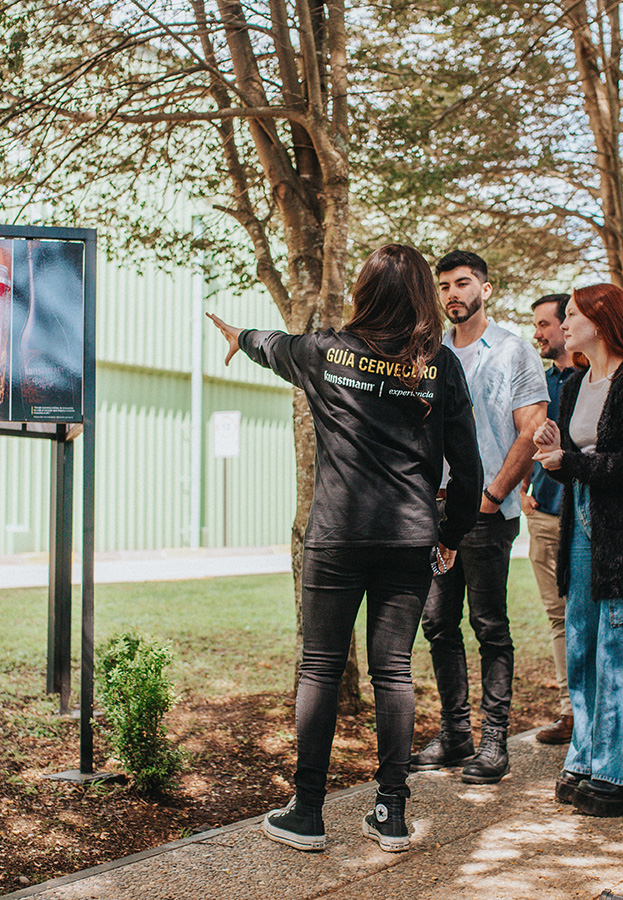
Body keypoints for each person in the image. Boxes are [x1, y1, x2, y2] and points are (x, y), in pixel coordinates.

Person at [207, 244, 481, 853]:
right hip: (410, 539)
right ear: (422, 298)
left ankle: (306, 812)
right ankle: (392, 812)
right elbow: (470, 469)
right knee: (395, 670)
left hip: (337, 536)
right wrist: (450, 535)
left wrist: (238, 335)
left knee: (320, 666)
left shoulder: (327, 352)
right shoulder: (439, 366)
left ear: (364, 293)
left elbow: (272, 345)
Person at [533, 283, 623, 817]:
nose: (563, 322)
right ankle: (589, 758)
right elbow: (576, 456)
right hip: (582, 526)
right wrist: (554, 449)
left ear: (601, 319)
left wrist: (568, 464)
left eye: (571, 314)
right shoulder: (574, 384)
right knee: (582, 649)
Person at [412, 251, 548, 785]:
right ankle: (455, 735)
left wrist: (490, 496)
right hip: (434, 509)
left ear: (485, 289)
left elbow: (532, 428)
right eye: (444, 285)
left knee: (490, 625)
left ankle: (494, 741)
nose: (452, 294)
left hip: (488, 511)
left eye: (462, 283)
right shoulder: (428, 353)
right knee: (438, 623)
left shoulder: (513, 352)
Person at [520, 293, 583, 745]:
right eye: (536, 325)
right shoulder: (539, 383)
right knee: (558, 616)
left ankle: (596, 711)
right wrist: (523, 487)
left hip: (584, 516)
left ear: (568, 326)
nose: (538, 333)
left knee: (589, 616)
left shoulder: (594, 378)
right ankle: (570, 713)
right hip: (543, 515)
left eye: (545, 324)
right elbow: (524, 438)